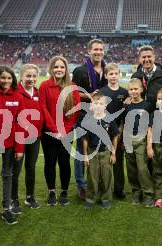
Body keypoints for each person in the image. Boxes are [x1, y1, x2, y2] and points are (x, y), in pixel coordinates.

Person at [39, 56, 80, 206]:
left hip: (66, 132)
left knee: (64, 162)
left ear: (66, 69)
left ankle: (64, 191)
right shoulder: (44, 86)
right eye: (56, 67)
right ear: (51, 69)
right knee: (50, 162)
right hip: (49, 133)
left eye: (62, 67)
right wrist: (54, 130)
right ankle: (51, 191)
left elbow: (75, 110)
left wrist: (65, 130)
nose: (59, 70)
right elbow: (43, 108)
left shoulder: (72, 86)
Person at [0, 66, 24, 225]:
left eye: (9, 78)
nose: (6, 81)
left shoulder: (17, 95)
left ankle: (6, 209)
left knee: (7, 176)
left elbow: (21, 122)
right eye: (3, 78)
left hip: (10, 144)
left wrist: (20, 147)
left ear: (13, 79)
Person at [72, 39, 107, 200]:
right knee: (81, 150)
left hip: (101, 116)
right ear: (89, 51)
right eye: (95, 49)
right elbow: (72, 93)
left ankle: (97, 182)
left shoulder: (107, 70)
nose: (98, 52)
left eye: (101, 49)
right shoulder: (80, 70)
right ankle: (81, 185)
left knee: (98, 149)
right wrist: (88, 96)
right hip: (83, 115)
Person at [11, 64, 44, 211]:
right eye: (28, 76)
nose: (31, 79)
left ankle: (29, 197)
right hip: (18, 138)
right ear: (21, 76)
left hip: (34, 136)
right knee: (15, 170)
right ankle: (13, 200)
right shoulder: (14, 92)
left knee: (31, 167)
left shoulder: (38, 93)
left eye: (33, 76)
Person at [82, 93, 120, 209]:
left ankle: (105, 198)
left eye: (101, 104)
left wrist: (113, 153)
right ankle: (90, 198)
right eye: (95, 103)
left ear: (105, 106)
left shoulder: (109, 120)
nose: (98, 106)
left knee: (106, 177)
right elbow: (85, 139)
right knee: (92, 177)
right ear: (92, 105)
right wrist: (85, 156)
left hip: (106, 152)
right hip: (92, 152)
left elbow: (114, 137)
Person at [122, 78, 155, 207]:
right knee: (131, 169)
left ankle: (148, 193)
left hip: (141, 140)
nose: (133, 91)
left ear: (141, 89)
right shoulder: (126, 105)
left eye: (136, 89)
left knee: (142, 168)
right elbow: (123, 123)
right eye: (131, 89)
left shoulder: (147, 105)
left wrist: (148, 144)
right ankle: (136, 191)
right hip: (128, 140)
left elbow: (149, 126)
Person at [99, 63, 129, 199]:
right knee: (104, 160)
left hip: (119, 131)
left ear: (119, 75)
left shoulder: (124, 92)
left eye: (116, 74)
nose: (113, 76)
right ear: (106, 76)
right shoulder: (102, 92)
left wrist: (121, 131)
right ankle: (104, 187)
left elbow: (125, 115)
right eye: (110, 74)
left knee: (118, 160)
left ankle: (119, 188)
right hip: (104, 130)